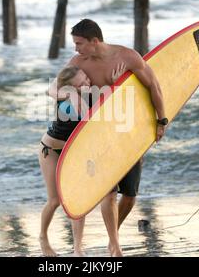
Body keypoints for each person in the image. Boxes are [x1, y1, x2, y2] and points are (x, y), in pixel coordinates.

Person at [48, 19, 168, 256]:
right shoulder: (78, 63)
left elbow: (153, 85)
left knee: (130, 195)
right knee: (109, 192)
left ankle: (114, 234)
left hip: (127, 132)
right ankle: (114, 244)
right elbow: (57, 90)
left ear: (95, 41)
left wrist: (161, 120)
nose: (76, 49)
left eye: (79, 43)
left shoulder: (127, 57)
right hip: (97, 134)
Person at [39, 65, 125, 257]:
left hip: (76, 152)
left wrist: (115, 83)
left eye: (86, 78)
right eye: (82, 83)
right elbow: (97, 116)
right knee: (54, 201)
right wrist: (113, 88)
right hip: (52, 151)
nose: (88, 82)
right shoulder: (69, 103)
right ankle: (43, 238)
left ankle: (78, 249)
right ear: (71, 88)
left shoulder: (83, 96)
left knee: (79, 198)